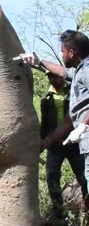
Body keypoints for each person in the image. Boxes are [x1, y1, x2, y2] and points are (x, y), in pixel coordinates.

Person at [22, 29, 89, 213]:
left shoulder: (86, 71)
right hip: (74, 144)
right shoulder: (79, 72)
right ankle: (60, 215)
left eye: (62, 51)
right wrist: (38, 62)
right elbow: (61, 71)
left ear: (72, 52)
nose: (61, 54)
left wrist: (83, 125)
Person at [40, 72, 87, 221]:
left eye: (55, 77)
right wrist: (41, 141)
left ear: (62, 77)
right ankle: (59, 213)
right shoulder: (46, 99)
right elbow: (45, 123)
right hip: (54, 147)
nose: (53, 80)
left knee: (84, 178)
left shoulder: (73, 91)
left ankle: (86, 207)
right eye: (50, 77)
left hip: (74, 145)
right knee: (52, 178)